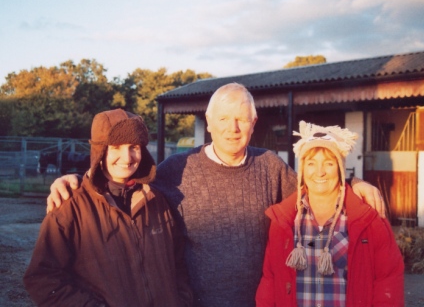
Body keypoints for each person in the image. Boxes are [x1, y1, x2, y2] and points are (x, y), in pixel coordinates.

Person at [46, 83, 385, 307]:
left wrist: (353, 185)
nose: (232, 128)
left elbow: (316, 189)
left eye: (241, 119)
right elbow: (124, 176)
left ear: (254, 123)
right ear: (208, 122)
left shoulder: (271, 166)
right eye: (223, 118)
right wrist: (76, 178)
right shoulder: (176, 168)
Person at [24, 109, 192, 307]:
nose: (127, 157)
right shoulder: (69, 207)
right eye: (116, 147)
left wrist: (182, 300)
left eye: (134, 147)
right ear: (100, 151)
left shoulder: (158, 201)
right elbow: (42, 278)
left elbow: (179, 263)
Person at [256, 121, 404, 307]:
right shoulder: (284, 221)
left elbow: (388, 280)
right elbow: (270, 281)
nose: (319, 172)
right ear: (302, 169)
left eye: (329, 163)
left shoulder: (368, 219)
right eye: (311, 163)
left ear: (340, 168)